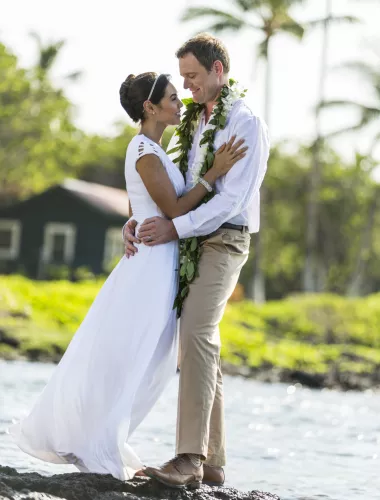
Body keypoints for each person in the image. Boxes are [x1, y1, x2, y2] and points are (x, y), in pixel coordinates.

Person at [9, 71, 247, 482]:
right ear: (150, 108)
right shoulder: (144, 150)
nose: (179, 104)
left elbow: (149, 206)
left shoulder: (155, 148)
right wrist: (214, 173)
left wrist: (134, 220)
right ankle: (96, 441)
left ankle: (108, 437)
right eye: (172, 98)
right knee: (131, 356)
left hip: (160, 264)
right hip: (150, 270)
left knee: (145, 359)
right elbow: (172, 209)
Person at [123, 34, 270, 489]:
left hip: (224, 241)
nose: (186, 86)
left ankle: (188, 458)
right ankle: (213, 462)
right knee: (201, 343)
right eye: (182, 78)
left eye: (193, 77)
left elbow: (231, 203)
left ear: (218, 71)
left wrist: (174, 228)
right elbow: (174, 186)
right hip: (190, 242)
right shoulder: (195, 122)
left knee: (197, 333)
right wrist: (140, 220)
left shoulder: (244, 124)